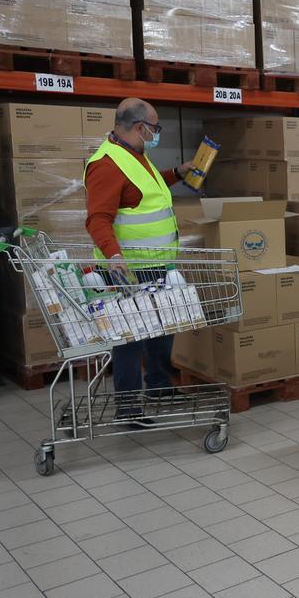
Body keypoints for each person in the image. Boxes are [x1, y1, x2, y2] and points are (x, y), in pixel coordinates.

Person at [85, 98, 192, 418]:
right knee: (130, 337)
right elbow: (97, 218)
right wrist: (114, 256)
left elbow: (141, 192)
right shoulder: (106, 164)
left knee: (161, 328)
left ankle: (159, 385)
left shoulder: (135, 155)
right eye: (155, 128)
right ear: (139, 127)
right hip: (129, 268)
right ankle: (129, 406)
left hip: (156, 264)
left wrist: (175, 173)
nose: (156, 133)